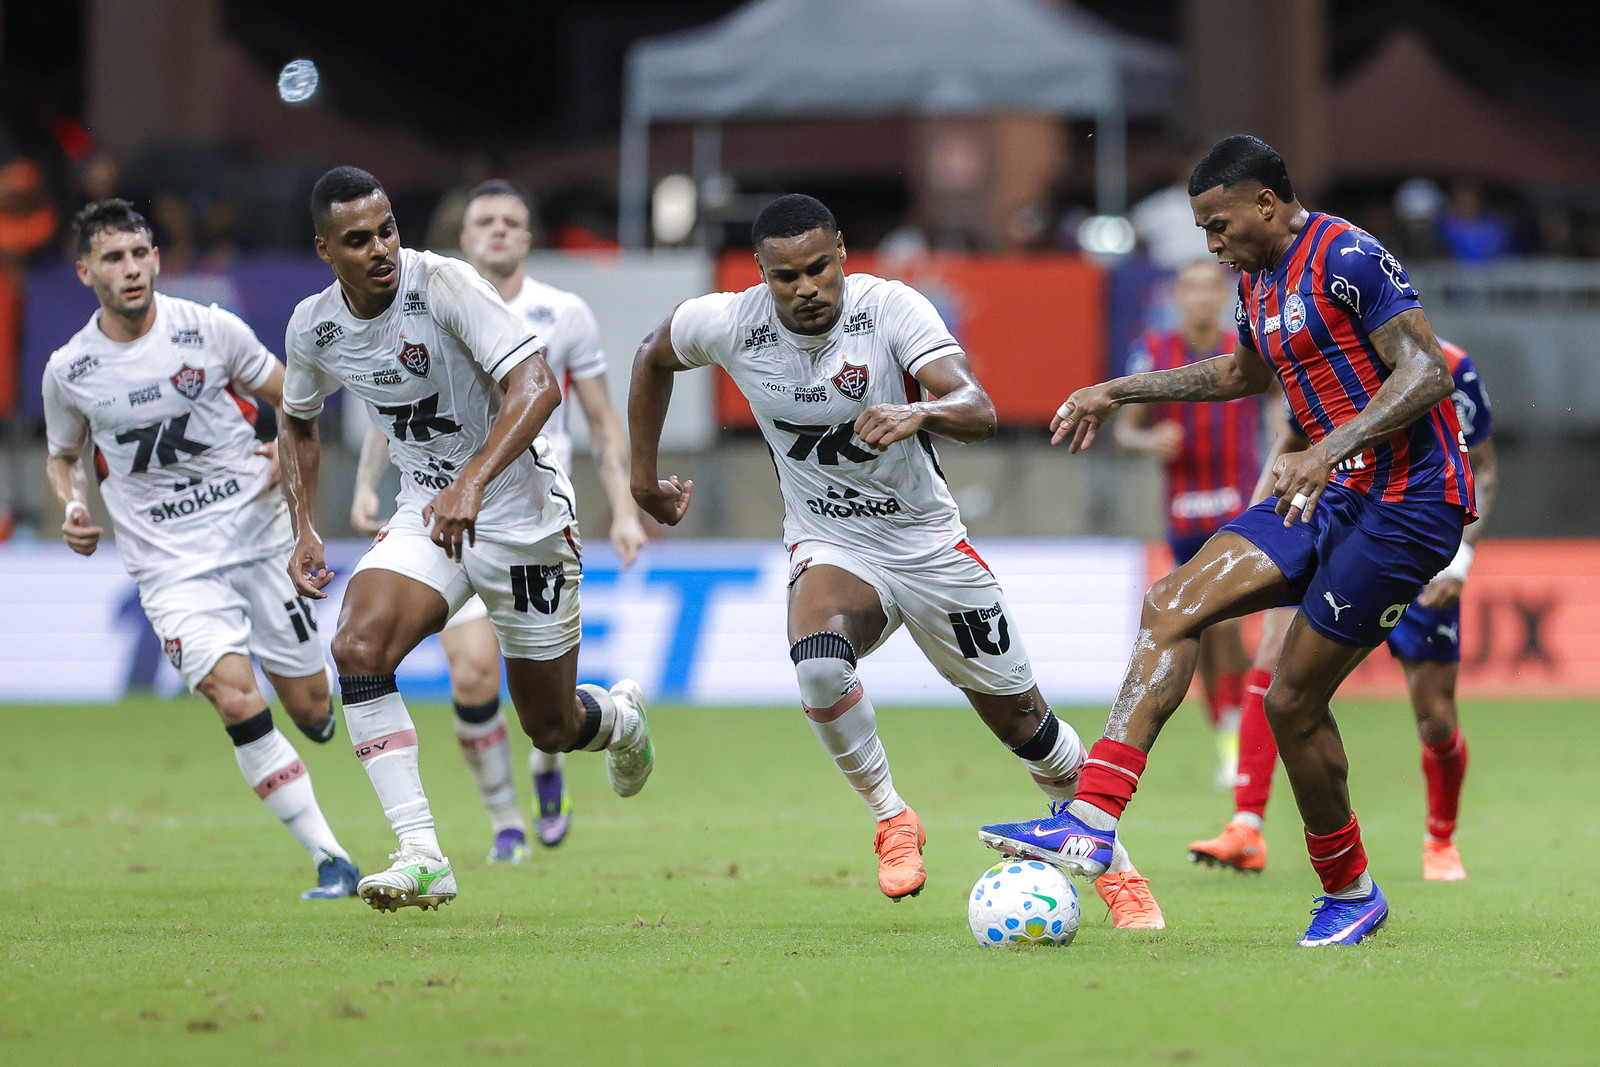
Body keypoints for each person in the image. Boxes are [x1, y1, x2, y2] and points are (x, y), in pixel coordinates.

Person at [978, 135, 1475, 947]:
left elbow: (1426, 374)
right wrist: (1118, 388)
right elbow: (1243, 373)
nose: (1212, 243)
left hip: (1407, 505)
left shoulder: (1349, 256)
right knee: (1172, 602)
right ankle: (1091, 820)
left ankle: (1351, 890)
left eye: (1218, 224)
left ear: (1265, 205)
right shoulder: (1257, 280)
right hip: (1330, 489)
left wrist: (1325, 446)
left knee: (1289, 700)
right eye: (1202, 229)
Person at [629, 193, 1164, 928]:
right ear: (760, 274)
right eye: (786, 276)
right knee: (818, 661)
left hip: (929, 547)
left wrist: (921, 412)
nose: (807, 287)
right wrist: (639, 478)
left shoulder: (890, 310)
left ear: (843, 252)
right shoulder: (727, 322)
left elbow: (977, 406)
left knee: (1027, 728)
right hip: (833, 544)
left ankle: (1117, 867)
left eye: (820, 267)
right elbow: (651, 357)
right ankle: (891, 816)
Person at [278, 167, 654, 913]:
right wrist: (304, 526)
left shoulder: (444, 283)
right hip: (430, 511)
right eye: (359, 239)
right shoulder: (312, 326)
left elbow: (538, 385)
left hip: (524, 515)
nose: (381, 247)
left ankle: (618, 722)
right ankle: (421, 851)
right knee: (357, 647)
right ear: (326, 249)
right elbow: (296, 417)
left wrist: (474, 481)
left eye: (387, 228)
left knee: (548, 723)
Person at [41, 199, 359, 900]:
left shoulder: (208, 330)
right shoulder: (71, 370)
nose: (130, 269)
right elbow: (63, 454)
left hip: (258, 538)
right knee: (234, 696)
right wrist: (73, 505)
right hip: (172, 566)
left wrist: (286, 448)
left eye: (139, 253)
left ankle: (314, 711)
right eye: (113, 258)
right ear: (85, 270)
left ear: (156, 258)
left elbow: (294, 398)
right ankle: (330, 856)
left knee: (311, 709)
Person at [1189, 340, 1496, 881]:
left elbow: (1485, 469)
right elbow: (1289, 445)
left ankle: (1441, 839)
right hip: (1336, 527)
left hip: (1414, 544)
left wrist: (1461, 557)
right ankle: (1246, 825)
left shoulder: (1448, 366)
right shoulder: (1325, 361)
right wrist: (1245, 546)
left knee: (1435, 716)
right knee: (1273, 652)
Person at [1114, 257, 1270, 790]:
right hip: (1183, 512)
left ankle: (1241, 731)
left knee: (1225, 619)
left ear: (1223, 294)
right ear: (1177, 296)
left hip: (1238, 505)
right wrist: (1148, 441)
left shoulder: (1245, 350)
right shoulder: (1156, 353)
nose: (1201, 297)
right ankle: (1226, 729)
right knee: (1196, 629)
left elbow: (1283, 406)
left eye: (1210, 288)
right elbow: (1125, 431)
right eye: (1192, 288)